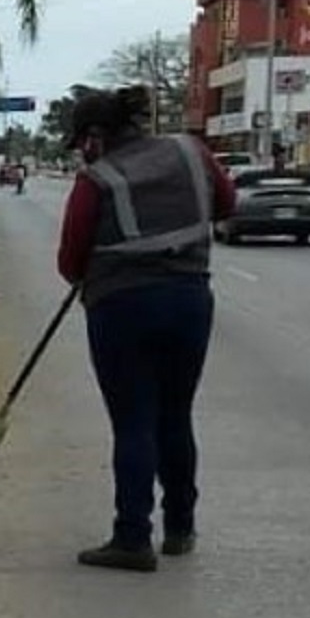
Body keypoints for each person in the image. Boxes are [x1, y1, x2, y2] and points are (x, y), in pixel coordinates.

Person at [56, 87, 236, 572]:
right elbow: (225, 203)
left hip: (121, 309)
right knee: (175, 415)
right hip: (189, 301)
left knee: (133, 421)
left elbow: (70, 259)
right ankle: (180, 527)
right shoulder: (191, 152)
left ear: (96, 136)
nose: (82, 152)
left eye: (82, 142)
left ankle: (133, 537)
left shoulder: (96, 179)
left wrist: (96, 269)